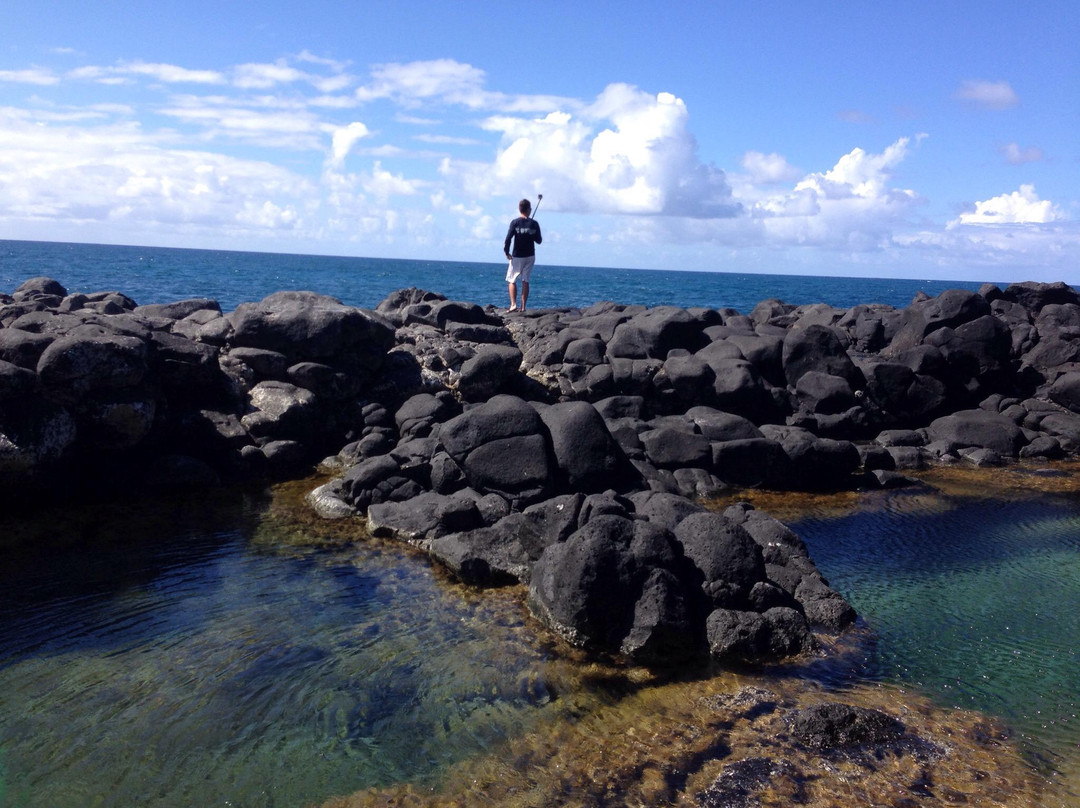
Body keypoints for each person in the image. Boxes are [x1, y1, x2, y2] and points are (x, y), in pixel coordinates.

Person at [503, 198, 542, 312]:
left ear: (520, 209)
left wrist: (506, 252)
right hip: (530, 256)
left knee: (512, 279)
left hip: (517, 256)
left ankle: (513, 304)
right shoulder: (534, 224)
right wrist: (531, 233)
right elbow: (539, 240)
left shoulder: (515, 222)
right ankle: (523, 307)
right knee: (525, 280)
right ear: (529, 210)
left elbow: (508, 238)